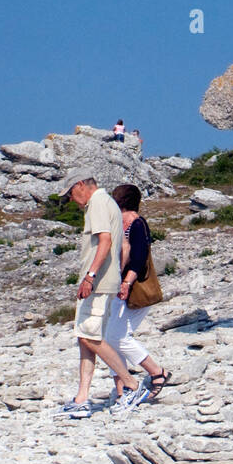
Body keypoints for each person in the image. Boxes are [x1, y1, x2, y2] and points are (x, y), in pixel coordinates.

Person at [59, 175, 151, 417]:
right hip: (101, 282)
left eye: (70, 193)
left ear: (80, 184)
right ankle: (82, 398)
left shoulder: (98, 202)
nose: (71, 199)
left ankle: (131, 384)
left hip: (98, 283)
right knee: (84, 336)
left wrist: (90, 276)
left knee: (90, 337)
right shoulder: (106, 202)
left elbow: (105, 241)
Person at [104, 183, 171, 402]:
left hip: (132, 290)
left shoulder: (136, 224)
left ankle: (156, 372)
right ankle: (123, 388)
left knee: (115, 337)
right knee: (110, 337)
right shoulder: (121, 224)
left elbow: (140, 257)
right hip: (119, 289)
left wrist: (126, 283)